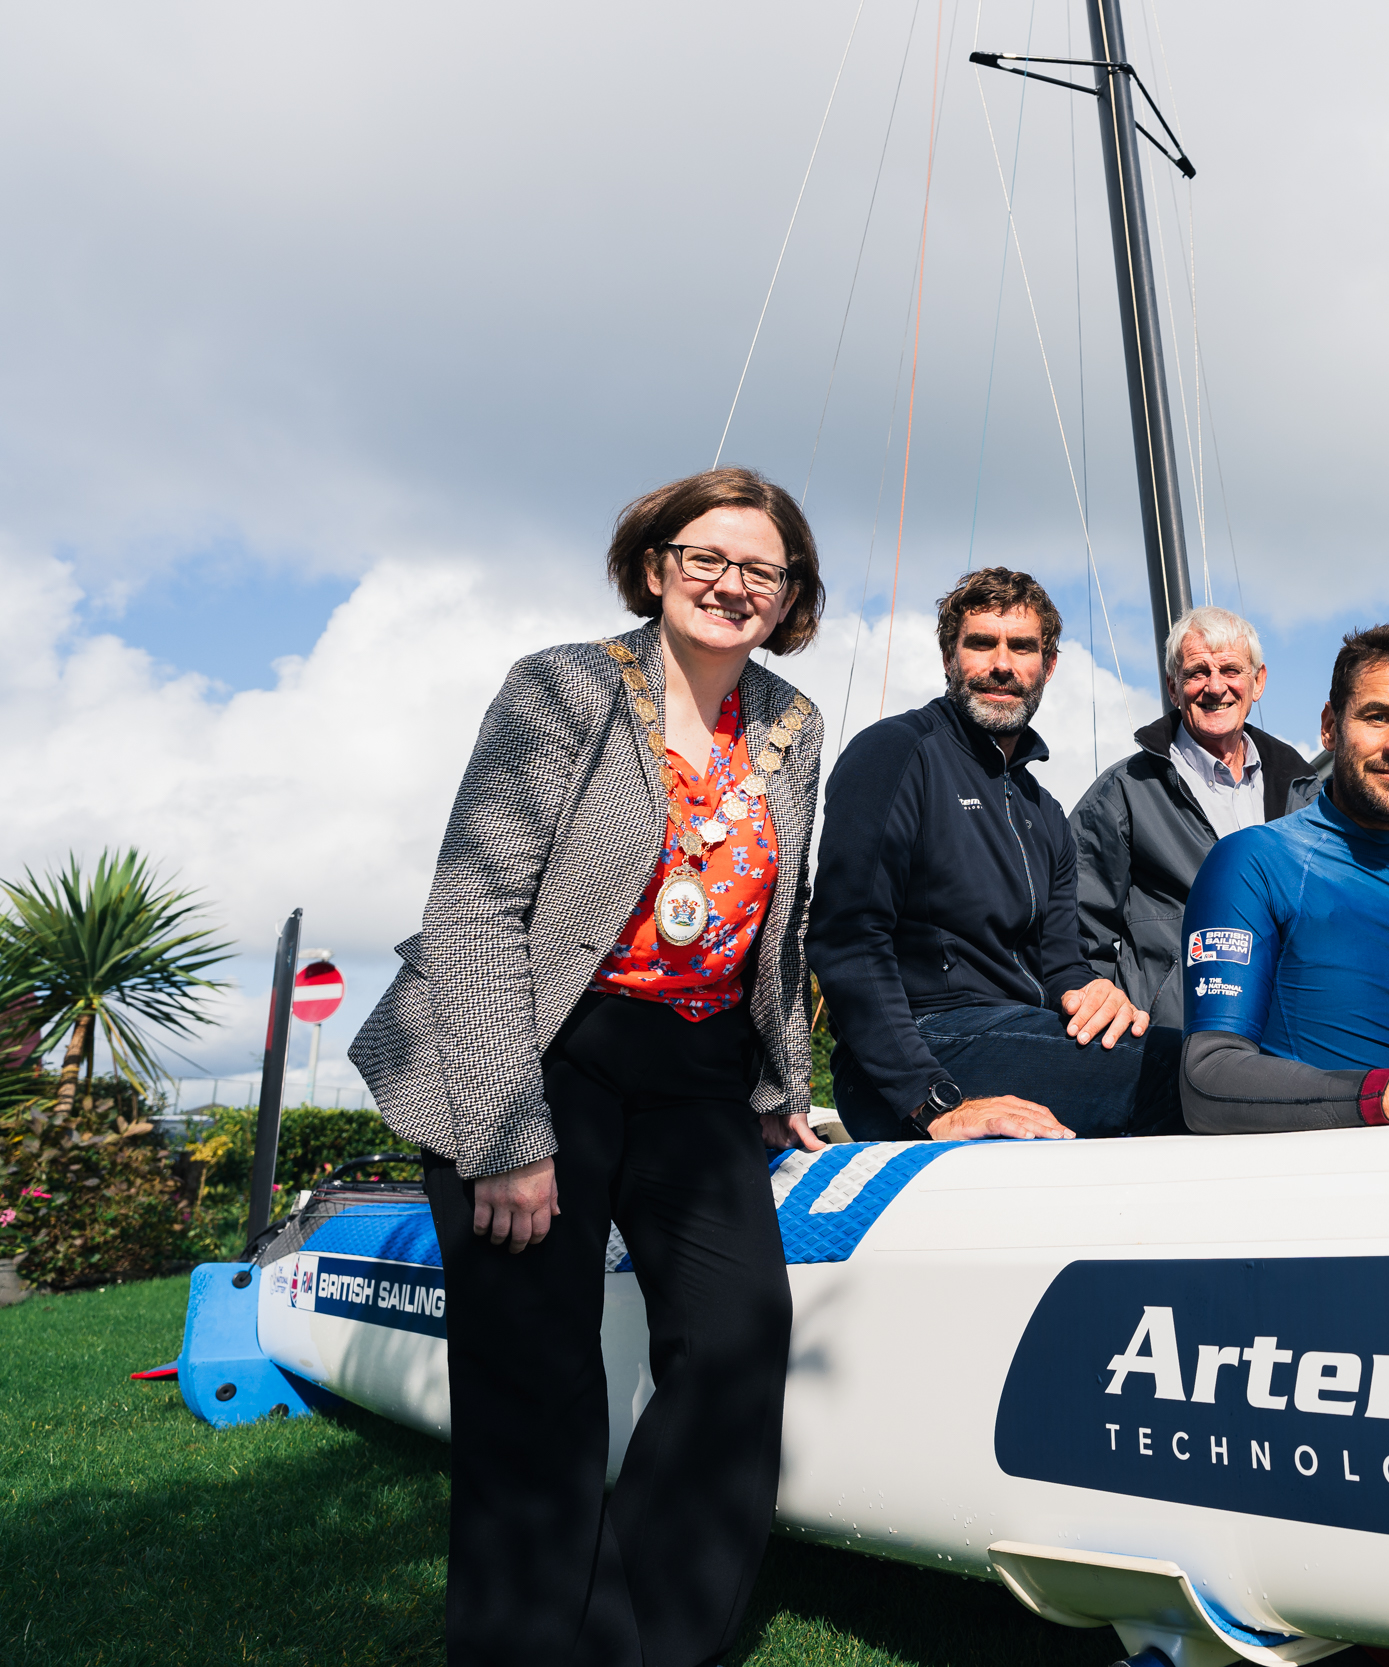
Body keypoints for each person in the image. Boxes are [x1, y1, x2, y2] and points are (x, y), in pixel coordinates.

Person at [347, 466, 828, 1667]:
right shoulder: (563, 688)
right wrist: (507, 1133)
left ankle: (638, 1644)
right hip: (536, 1041)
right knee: (537, 1382)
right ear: (655, 564)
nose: (731, 584)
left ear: (790, 594)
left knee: (736, 1338)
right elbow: (472, 907)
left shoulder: (791, 723)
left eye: (759, 569)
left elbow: (784, 922)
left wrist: (784, 1088)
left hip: (697, 1072)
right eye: (706, 557)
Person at [807, 567, 1182, 1143]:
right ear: (949, 659)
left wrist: (1093, 993)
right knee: (1180, 1075)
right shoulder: (896, 754)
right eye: (981, 643)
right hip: (915, 1054)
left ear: (1048, 666)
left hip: (1019, 1032)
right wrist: (932, 1104)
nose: (1002, 664)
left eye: (1022, 647)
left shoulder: (1046, 812)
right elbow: (848, 941)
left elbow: (1061, 965)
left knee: (1198, 1055)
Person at [1178, 624, 1389, 1133]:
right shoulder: (1252, 863)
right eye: (1378, 716)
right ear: (1329, 726)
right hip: (1315, 1191)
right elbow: (1207, 1080)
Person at [1071, 606, 1310, 1027]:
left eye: (1231, 670)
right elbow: (1074, 926)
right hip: (1171, 1045)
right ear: (1173, 687)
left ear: (1259, 681)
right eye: (1197, 672)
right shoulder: (1125, 790)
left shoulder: (1304, 792)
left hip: (1286, 1040)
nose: (1215, 687)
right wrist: (1115, 1017)